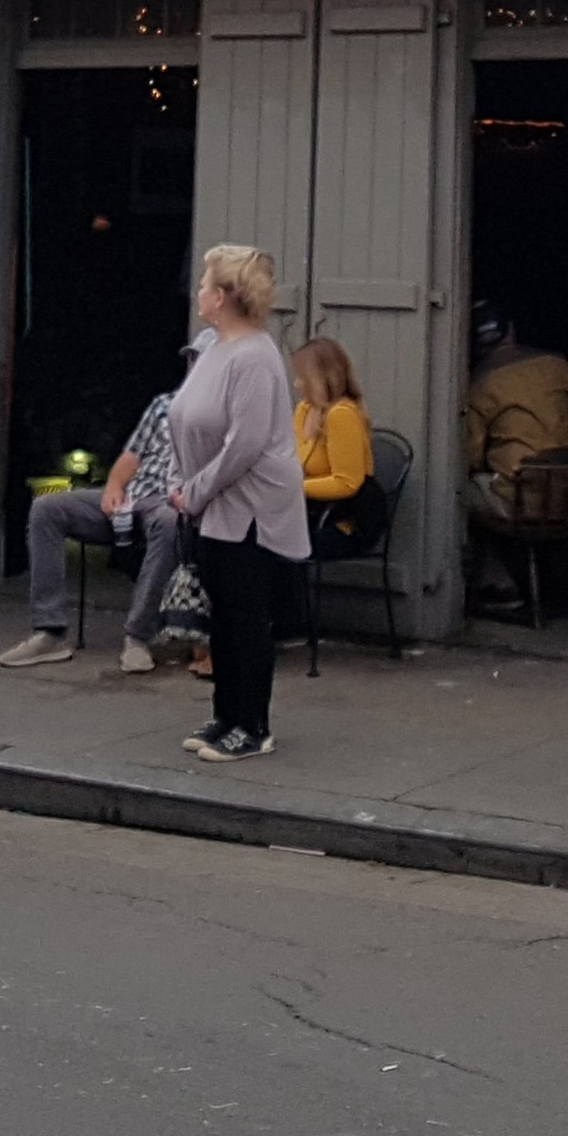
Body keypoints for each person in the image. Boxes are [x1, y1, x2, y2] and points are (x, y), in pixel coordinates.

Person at [162, 245, 306, 762]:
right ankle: (225, 715)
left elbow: (244, 445)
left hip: (249, 507)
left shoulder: (255, 357)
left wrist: (194, 490)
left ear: (221, 297)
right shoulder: (213, 347)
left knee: (246, 614)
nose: (198, 292)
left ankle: (254, 724)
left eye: (204, 285)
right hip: (211, 502)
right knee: (222, 614)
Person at [1, 361, 192, 672]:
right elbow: (130, 457)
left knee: (169, 523)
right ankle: (48, 631)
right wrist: (114, 486)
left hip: (171, 504)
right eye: (193, 360)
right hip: (133, 497)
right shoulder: (163, 405)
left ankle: (138, 636)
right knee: (47, 508)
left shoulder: (220, 414)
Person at [459, 307, 568, 615]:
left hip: (522, 498)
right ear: (512, 330)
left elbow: (472, 456)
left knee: (456, 494)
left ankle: (498, 585)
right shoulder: (558, 365)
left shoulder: (480, 384)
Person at [291, 333, 372, 548]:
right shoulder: (305, 410)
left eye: (302, 377)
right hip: (308, 509)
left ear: (320, 379)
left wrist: (294, 487)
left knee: (263, 540)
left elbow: (347, 483)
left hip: (341, 519)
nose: (296, 384)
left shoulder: (342, 415)